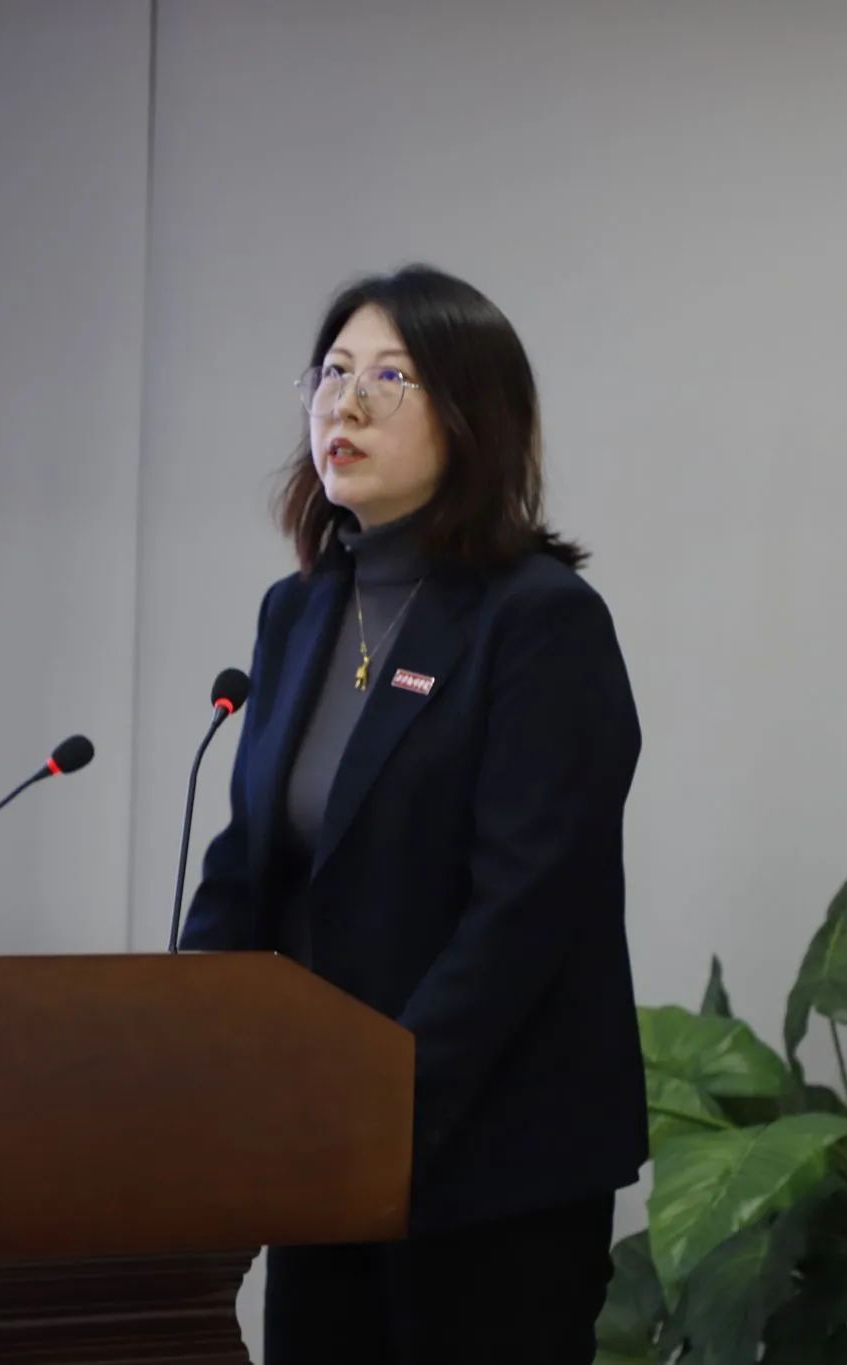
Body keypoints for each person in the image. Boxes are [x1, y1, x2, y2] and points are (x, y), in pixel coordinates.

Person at [179, 265, 647, 1363]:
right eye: (332, 372)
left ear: (472, 416)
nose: (344, 404)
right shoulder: (298, 613)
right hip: (326, 1149)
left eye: (389, 378)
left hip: (492, 1166)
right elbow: (250, 863)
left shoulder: (541, 621)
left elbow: (525, 909)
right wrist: (182, 1031)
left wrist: (379, 1094)